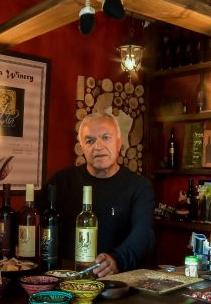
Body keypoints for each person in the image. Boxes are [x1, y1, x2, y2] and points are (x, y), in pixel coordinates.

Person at [41, 112, 155, 278]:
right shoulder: (61, 182)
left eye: (106, 137)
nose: (98, 146)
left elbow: (144, 234)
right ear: (82, 148)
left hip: (118, 283)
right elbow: (32, 219)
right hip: (67, 280)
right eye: (90, 140)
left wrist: (117, 259)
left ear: (119, 143)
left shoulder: (139, 186)